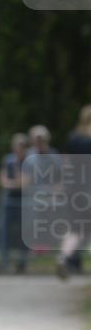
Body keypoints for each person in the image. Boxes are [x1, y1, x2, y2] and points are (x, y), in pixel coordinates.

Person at [56, 106, 91, 279]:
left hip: (74, 190)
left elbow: (66, 165)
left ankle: (63, 257)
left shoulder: (74, 139)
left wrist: (62, 186)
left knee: (75, 230)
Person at [0, 133, 30, 274]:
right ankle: (4, 261)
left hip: (24, 202)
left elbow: (26, 182)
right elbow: (3, 180)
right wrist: (14, 183)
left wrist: (13, 183)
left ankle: (21, 263)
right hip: (9, 201)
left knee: (23, 233)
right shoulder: (8, 160)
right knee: (5, 230)